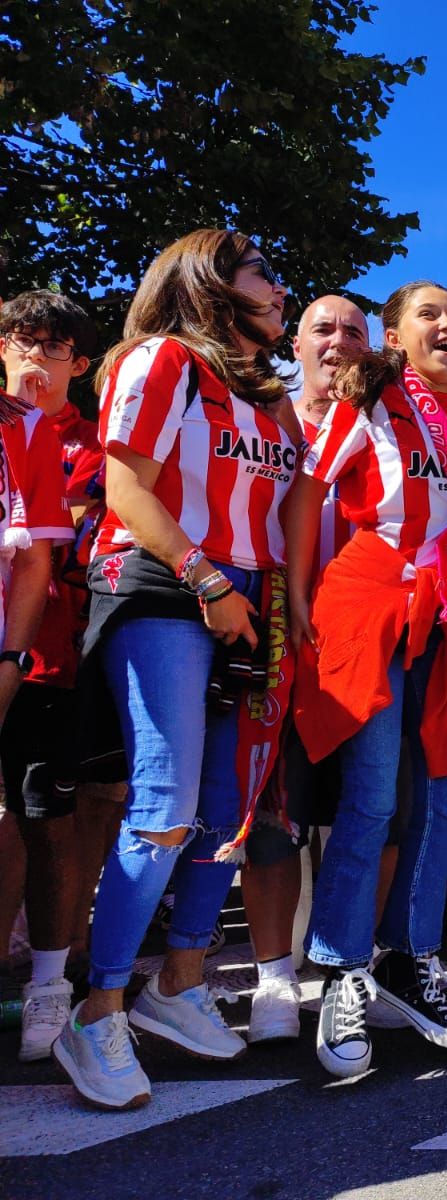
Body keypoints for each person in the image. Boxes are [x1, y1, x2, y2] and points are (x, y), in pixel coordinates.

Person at [54, 230, 298, 1110]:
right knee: (163, 807)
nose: (279, 289)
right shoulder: (160, 361)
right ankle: (98, 1008)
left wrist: (266, 607)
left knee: (225, 814)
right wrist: (205, 580)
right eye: (263, 273)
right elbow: (125, 489)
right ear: (210, 282)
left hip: (245, 601)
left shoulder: (270, 398)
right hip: (164, 586)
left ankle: (178, 981)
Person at [286, 281, 447, 1075]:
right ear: (396, 337)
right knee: (371, 797)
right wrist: (300, 593)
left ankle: (411, 959)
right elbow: (308, 488)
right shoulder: (370, 401)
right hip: (371, 602)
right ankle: (342, 969)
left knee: (446, 794)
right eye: (429, 315)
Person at [238, 294, 372, 1046]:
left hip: (365, 647)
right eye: (324, 328)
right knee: (273, 815)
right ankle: (274, 979)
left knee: (367, 808)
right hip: (278, 638)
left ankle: (354, 966)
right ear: (297, 343)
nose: (340, 341)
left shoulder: (388, 428)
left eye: (354, 330)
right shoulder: (266, 422)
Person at [0, 294, 81, 1062]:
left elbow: (37, 557)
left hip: (46, 661)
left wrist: (11, 661)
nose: (35, 358)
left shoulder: (63, 436)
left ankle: (52, 986)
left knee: (45, 825)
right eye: (21, 342)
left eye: (52, 347)